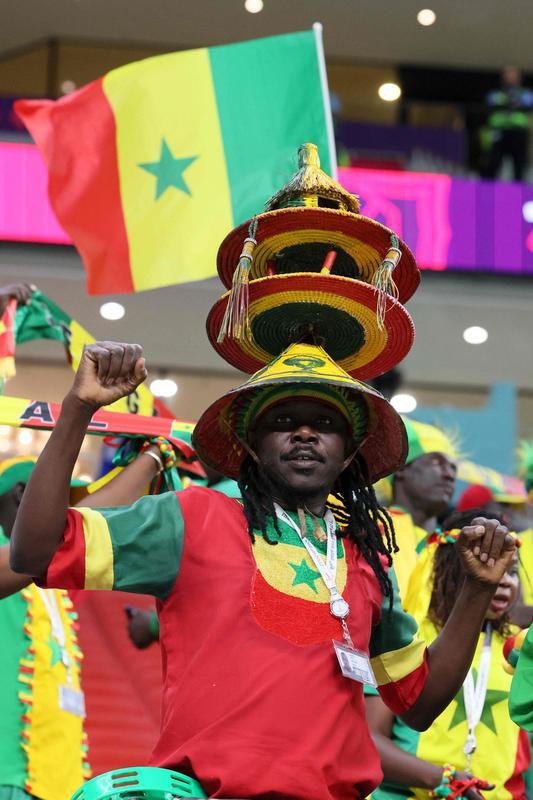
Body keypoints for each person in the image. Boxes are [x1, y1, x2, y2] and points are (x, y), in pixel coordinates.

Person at [9, 339, 518, 800]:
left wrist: (476, 590)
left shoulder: (367, 560)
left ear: (348, 454)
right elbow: (36, 552)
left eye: (325, 424)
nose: (303, 433)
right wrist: (78, 409)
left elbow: (419, 703)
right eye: (282, 421)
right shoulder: (192, 516)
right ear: (251, 446)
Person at [0, 444, 164, 800]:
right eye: (64, 501)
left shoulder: (47, 580)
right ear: (22, 494)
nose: (69, 514)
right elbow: (79, 528)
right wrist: (151, 460)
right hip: (7, 773)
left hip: (57, 777)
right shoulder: (15, 556)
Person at [366, 509, 530, 800]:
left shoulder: (519, 648)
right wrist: (441, 779)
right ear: (450, 568)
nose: (504, 579)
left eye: (512, 570)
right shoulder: (406, 638)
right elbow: (367, 739)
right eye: (488, 562)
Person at [388, 417, 458, 597]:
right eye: (437, 462)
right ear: (401, 468)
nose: (450, 474)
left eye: (453, 468)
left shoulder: (454, 545)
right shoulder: (368, 530)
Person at [485, 66, 533, 181]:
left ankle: (520, 191)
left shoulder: (526, 93)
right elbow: (491, 102)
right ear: (503, 78)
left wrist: (507, 104)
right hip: (500, 131)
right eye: (508, 76)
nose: (510, 79)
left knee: (519, 163)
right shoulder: (496, 94)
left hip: (518, 132)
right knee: (494, 162)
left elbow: (528, 103)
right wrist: (512, 104)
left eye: (513, 76)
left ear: (519, 79)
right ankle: (487, 190)